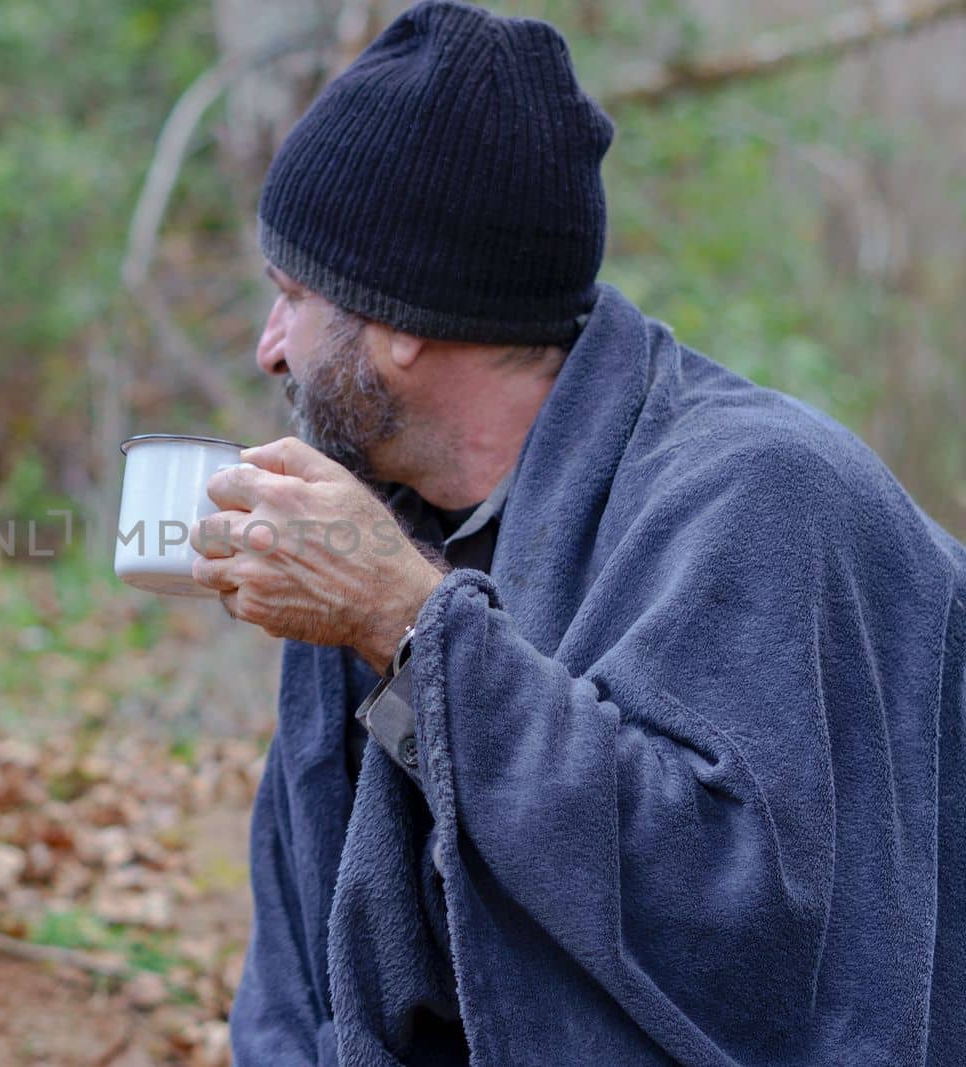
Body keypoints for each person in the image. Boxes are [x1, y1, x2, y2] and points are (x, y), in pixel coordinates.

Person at [189, 2, 966, 1064]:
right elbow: (302, 967)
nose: (267, 347)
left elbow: (746, 943)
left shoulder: (762, 496)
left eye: (292, 297)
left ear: (401, 317)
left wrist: (408, 621)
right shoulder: (380, 513)